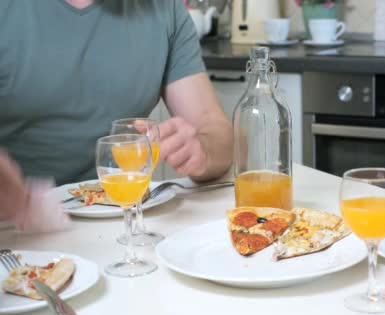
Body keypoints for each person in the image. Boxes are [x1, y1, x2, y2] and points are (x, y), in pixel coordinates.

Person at [0, 0, 233, 186]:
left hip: (121, 217)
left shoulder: (165, 8)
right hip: (16, 233)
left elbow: (213, 131)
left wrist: (202, 153)